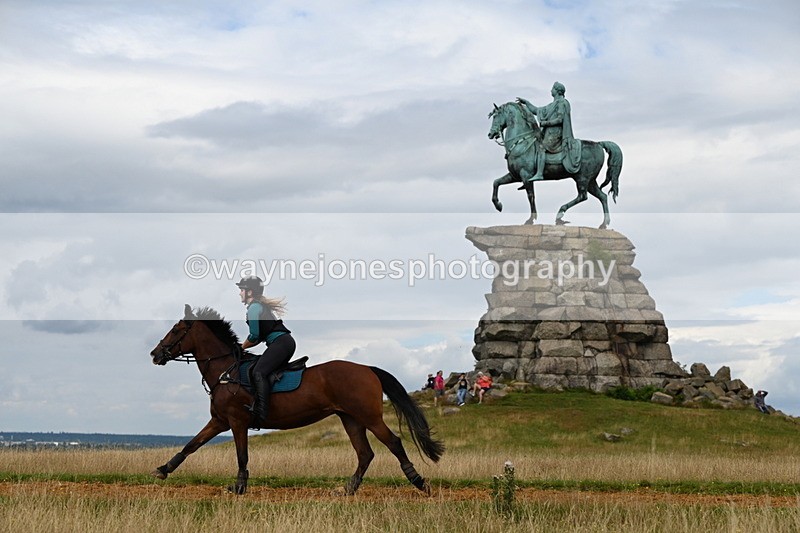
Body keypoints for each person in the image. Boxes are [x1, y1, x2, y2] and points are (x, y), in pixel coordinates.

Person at [236, 275, 295, 429]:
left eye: (242, 290)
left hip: (281, 344)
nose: (240, 293)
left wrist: (241, 347)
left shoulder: (254, 308)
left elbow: (254, 336)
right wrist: (243, 346)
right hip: (284, 343)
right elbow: (258, 337)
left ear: (249, 292)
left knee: (258, 372)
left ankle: (262, 412)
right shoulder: (258, 306)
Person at [516, 81, 581, 180]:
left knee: (541, 147)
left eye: (553, 89)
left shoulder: (562, 103)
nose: (551, 90)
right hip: (548, 133)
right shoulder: (552, 105)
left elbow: (560, 119)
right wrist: (526, 103)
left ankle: (539, 173)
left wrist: (545, 123)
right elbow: (536, 110)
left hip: (556, 134)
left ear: (557, 91)